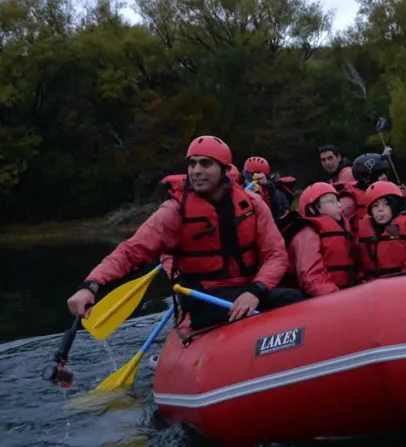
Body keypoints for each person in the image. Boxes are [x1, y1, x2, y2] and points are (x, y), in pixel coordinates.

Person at [65, 135, 304, 330]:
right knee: (271, 304)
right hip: (205, 298)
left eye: (205, 163)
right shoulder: (174, 211)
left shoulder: (252, 204)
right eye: (192, 163)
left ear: (224, 169)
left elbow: (275, 254)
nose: (196, 170)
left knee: (294, 298)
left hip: (249, 289)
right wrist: (91, 285)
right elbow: (131, 251)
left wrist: (256, 290)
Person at [281, 182, 357, 297]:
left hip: (344, 295)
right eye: (331, 201)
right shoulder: (307, 232)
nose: (339, 205)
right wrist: (337, 297)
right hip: (323, 300)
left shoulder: (343, 227)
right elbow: (311, 277)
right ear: (313, 208)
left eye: (338, 200)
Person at [356, 181, 406, 281]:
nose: (380, 209)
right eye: (375, 205)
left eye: (386, 204)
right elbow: (357, 263)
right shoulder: (364, 230)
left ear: (395, 205)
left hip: (403, 286)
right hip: (373, 289)